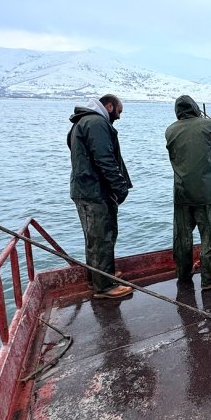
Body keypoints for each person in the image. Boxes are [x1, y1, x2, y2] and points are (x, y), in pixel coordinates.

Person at [68, 94, 133, 299]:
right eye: (119, 111)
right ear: (109, 106)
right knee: (102, 236)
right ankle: (104, 286)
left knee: (95, 235)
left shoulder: (82, 122)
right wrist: (120, 187)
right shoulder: (96, 123)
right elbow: (105, 159)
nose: (119, 117)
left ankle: (100, 275)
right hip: (94, 192)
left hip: (86, 190)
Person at [165, 95, 211, 290]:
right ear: (195, 108)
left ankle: (183, 274)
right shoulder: (210, 126)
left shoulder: (170, 130)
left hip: (181, 191)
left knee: (182, 236)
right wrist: (209, 176)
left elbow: (174, 159)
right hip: (207, 192)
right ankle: (209, 278)